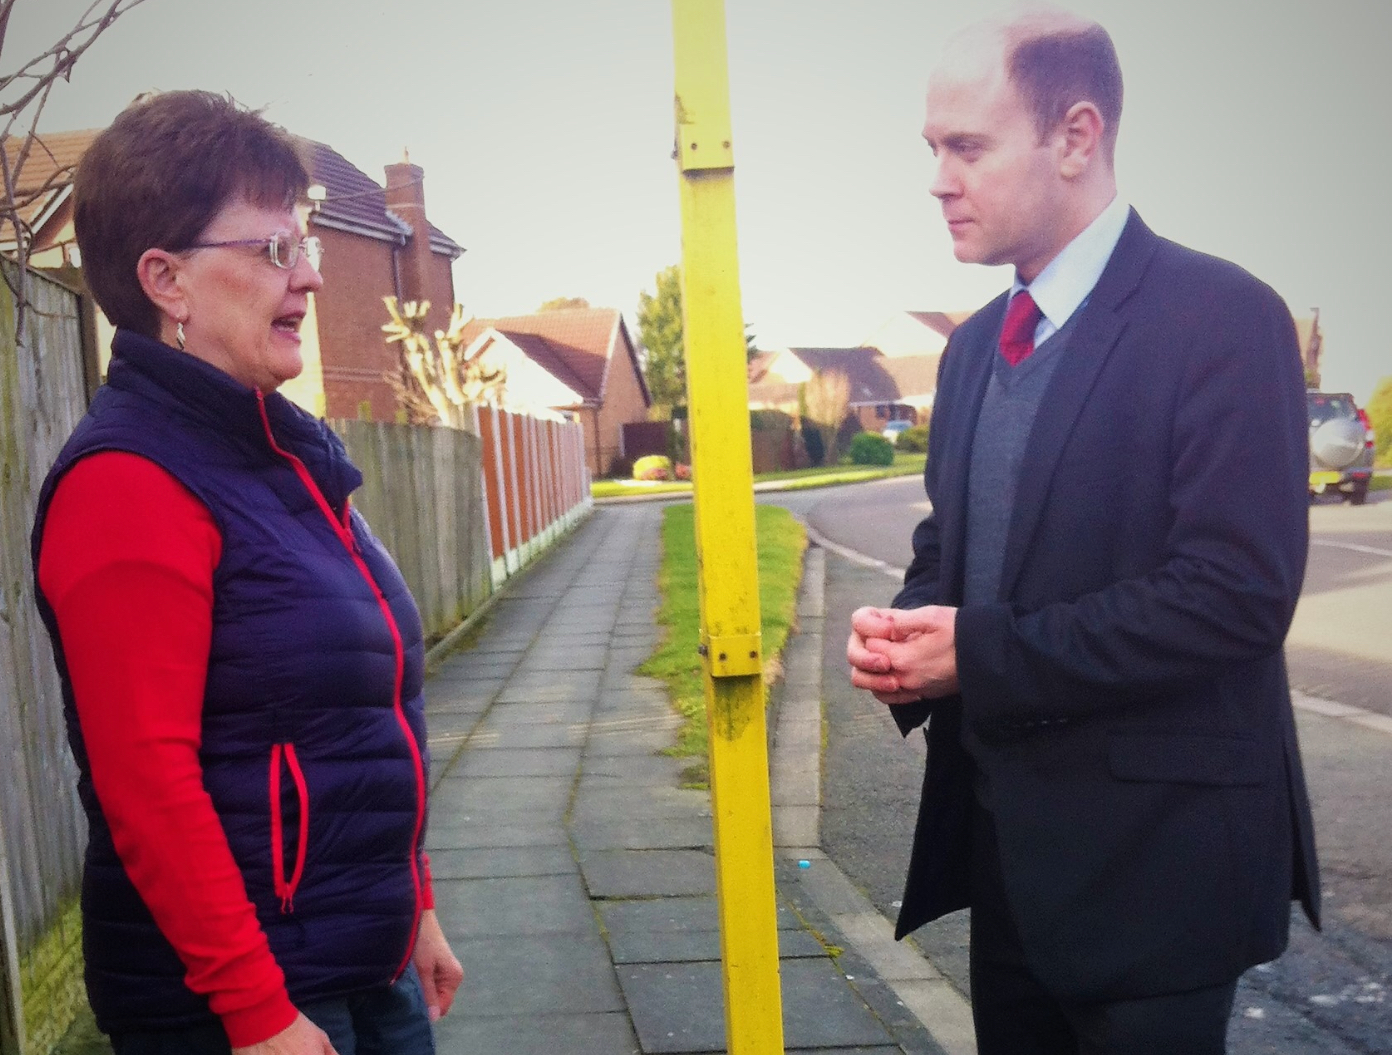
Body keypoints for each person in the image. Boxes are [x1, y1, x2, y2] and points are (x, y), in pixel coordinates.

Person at [846, 9, 1318, 1054]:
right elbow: (954, 543)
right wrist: (908, 628)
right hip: (1007, 865)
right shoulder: (969, 352)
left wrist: (977, 651)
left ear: (1076, 135)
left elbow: (1235, 593)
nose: (937, 177)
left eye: (967, 146)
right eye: (932, 147)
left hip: (1163, 875)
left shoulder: (1223, 316)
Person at [30, 91, 463, 1054]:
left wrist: (414, 907)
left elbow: (363, 711)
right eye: (276, 251)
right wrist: (255, 1012)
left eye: (303, 242)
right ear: (166, 280)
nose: (309, 277)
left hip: (362, 964)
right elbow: (150, 788)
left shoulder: (286, 458)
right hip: (249, 1005)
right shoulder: (127, 484)